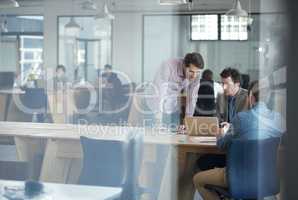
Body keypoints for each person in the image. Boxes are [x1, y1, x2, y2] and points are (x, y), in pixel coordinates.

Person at [193, 80, 284, 200]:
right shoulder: (279, 120)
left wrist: (220, 134)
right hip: (267, 177)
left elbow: (221, 145)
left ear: (250, 96)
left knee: (198, 180)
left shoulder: (240, 118)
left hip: (238, 176)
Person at [196, 68, 248, 171]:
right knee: (200, 160)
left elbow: (244, 124)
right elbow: (217, 118)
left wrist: (230, 127)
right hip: (223, 140)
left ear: (237, 84)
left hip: (239, 148)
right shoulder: (221, 96)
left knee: (203, 162)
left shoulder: (247, 97)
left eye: (227, 84)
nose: (223, 87)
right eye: (222, 83)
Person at [149, 52, 205, 126]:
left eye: (197, 72)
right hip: (153, 107)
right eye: (191, 71)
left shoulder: (196, 74)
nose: (194, 76)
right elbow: (159, 92)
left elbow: (192, 97)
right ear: (184, 65)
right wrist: (158, 117)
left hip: (171, 107)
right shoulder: (168, 66)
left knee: (175, 133)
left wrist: (187, 121)